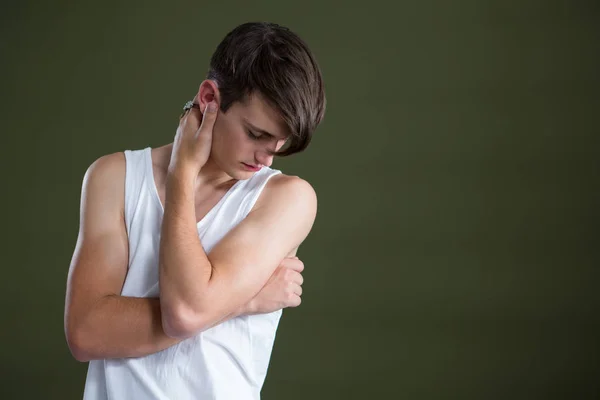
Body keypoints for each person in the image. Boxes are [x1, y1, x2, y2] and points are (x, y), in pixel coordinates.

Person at [64, 22, 326, 399]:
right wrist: (241, 301)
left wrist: (207, 304)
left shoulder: (286, 198)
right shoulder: (113, 178)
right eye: (256, 134)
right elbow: (86, 333)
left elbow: (186, 312)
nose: (267, 157)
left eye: (280, 143)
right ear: (209, 98)